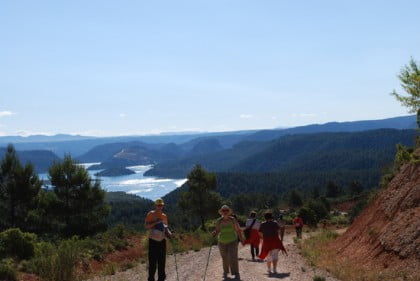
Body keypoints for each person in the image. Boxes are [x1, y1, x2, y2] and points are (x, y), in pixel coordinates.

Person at [212, 205, 244, 280]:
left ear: (228, 212)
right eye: (223, 211)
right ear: (221, 212)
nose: (225, 212)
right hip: (221, 241)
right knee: (224, 258)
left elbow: (238, 230)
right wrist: (214, 232)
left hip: (232, 240)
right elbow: (217, 230)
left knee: (233, 256)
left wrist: (241, 239)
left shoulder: (233, 220)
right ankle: (225, 271)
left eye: (226, 210)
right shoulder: (218, 221)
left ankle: (236, 273)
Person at [145, 198, 172, 281]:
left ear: (163, 206)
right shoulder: (151, 214)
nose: (159, 207)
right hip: (153, 241)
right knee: (152, 262)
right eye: (158, 205)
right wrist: (156, 222)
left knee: (162, 262)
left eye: (161, 205)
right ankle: (151, 279)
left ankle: (161, 278)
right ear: (155, 206)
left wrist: (169, 234)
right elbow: (146, 226)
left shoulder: (164, 216)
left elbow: (166, 228)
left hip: (162, 241)